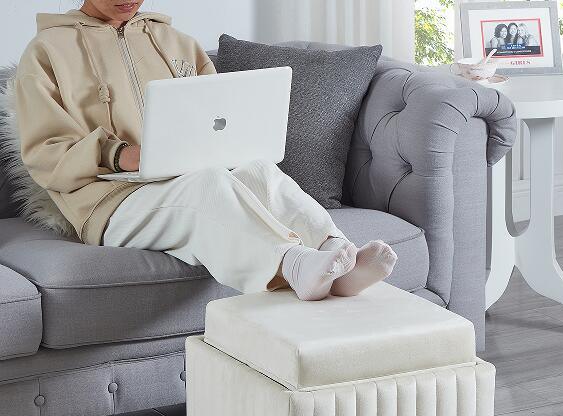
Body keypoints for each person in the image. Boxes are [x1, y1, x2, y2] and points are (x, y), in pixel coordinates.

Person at [15, 0, 397, 301]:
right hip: (110, 200)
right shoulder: (47, 51)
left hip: (183, 175)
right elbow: (45, 152)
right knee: (207, 184)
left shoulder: (177, 42)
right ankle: (293, 266)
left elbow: (217, 116)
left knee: (258, 171)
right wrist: (120, 154)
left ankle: (337, 253)